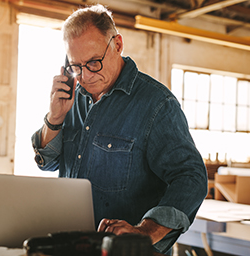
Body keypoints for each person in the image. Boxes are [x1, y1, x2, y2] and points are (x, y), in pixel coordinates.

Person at [31, 4, 208, 255]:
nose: (85, 76)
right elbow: (46, 163)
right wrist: (55, 117)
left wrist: (145, 232)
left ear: (117, 45)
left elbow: (191, 178)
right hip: (75, 247)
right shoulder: (72, 97)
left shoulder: (156, 104)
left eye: (93, 62)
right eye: (76, 66)